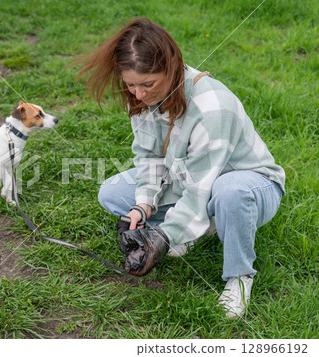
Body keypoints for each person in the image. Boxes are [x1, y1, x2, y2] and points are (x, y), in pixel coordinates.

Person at [75, 17, 285, 318]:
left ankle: (239, 278)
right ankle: (202, 227)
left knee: (229, 192)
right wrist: (143, 207)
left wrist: (162, 236)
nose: (138, 95)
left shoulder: (212, 105)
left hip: (249, 185)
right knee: (113, 192)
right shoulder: (144, 98)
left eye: (148, 84)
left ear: (172, 68)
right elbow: (149, 158)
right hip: (192, 177)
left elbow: (202, 187)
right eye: (130, 84)